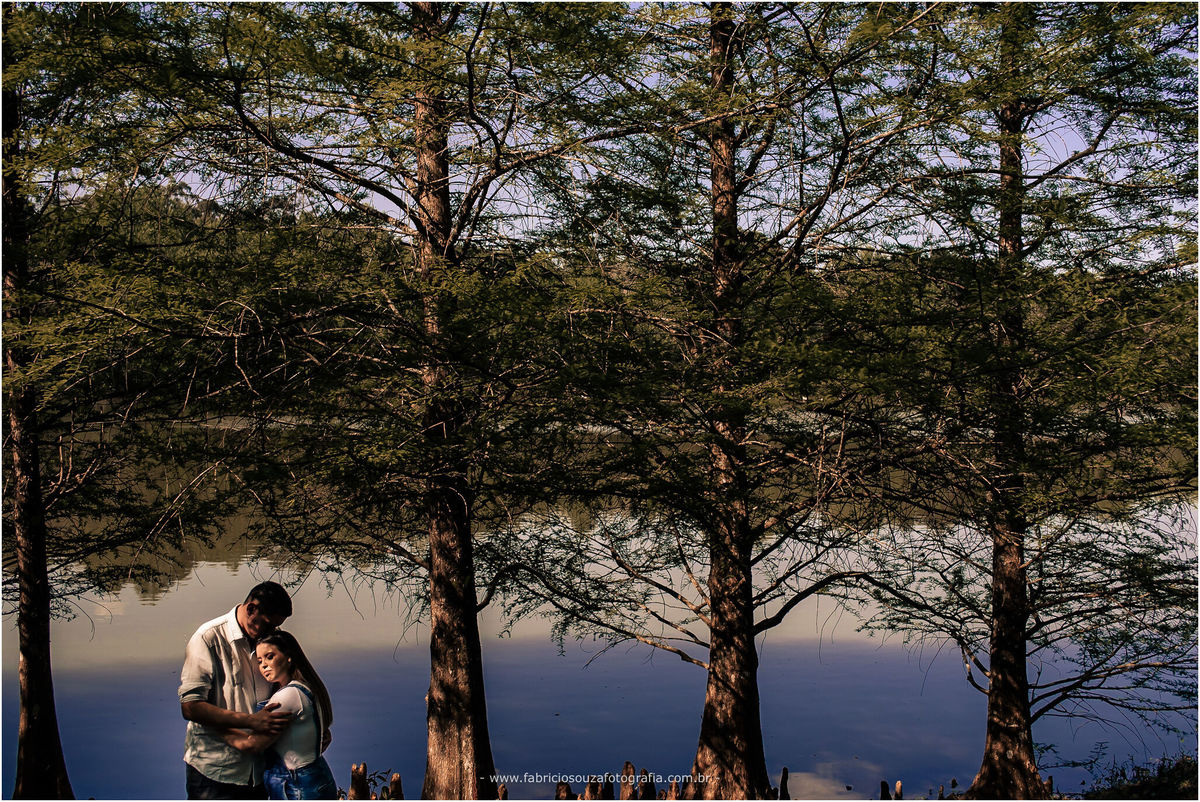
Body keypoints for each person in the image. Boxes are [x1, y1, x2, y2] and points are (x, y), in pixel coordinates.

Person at [180, 581, 295, 799]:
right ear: (251, 609)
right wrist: (250, 721)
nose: (273, 632)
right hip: (214, 773)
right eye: (269, 625)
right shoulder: (208, 639)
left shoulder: (268, 643)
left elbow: (289, 688)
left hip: (259, 773)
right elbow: (190, 707)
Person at [221, 631, 337, 800]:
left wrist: (216, 728)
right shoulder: (306, 687)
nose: (263, 666)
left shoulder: (287, 697)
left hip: (297, 785)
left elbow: (253, 744)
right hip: (315, 775)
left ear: (289, 657)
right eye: (259, 661)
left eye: (270, 657)